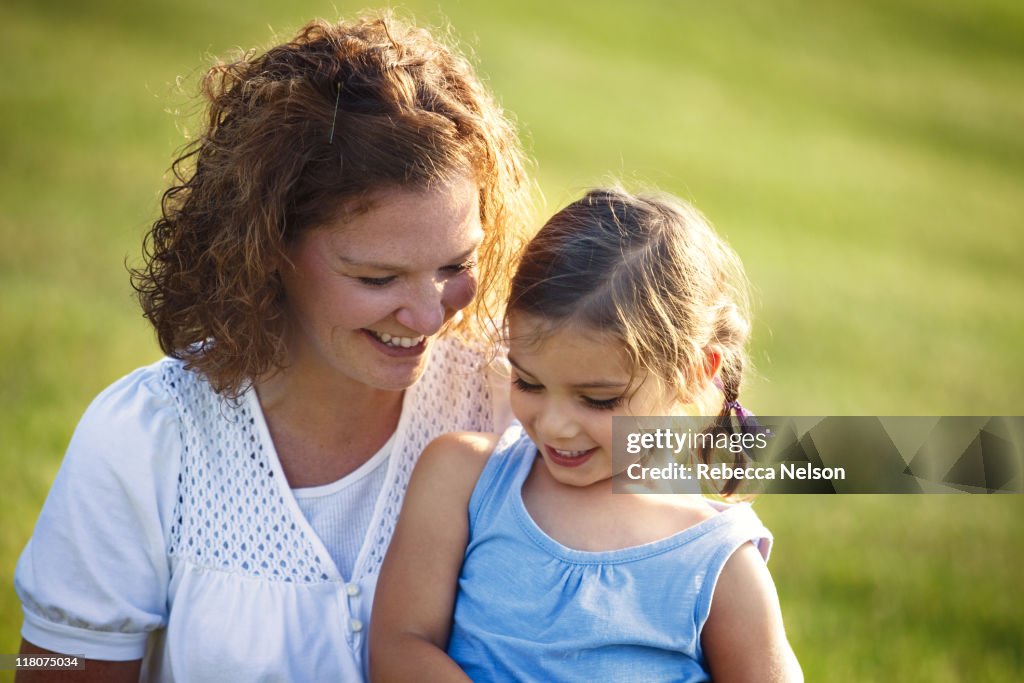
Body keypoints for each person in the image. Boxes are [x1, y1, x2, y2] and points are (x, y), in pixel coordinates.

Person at [14, 12, 530, 682]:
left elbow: (710, 455)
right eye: (377, 277)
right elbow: (51, 663)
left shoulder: (524, 389)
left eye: (454, 265)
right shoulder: (145, 438)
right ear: (270, 249)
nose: (431, 312)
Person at [370, 187, 803, 681]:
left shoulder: (718, 562)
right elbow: (399, 646)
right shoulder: (462, 479)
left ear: (692, 372)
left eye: (598, 399)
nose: (554, 425)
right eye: (528, 382)